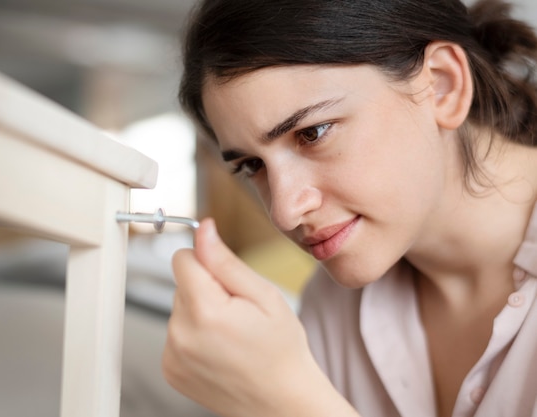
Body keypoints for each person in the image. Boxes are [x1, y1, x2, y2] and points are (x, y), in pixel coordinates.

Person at [161, 0, 537, 416]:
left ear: (442, 84)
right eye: (253, 165)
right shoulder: (336, 304)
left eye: (313, 133)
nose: (285, 213)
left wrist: (289, 403)